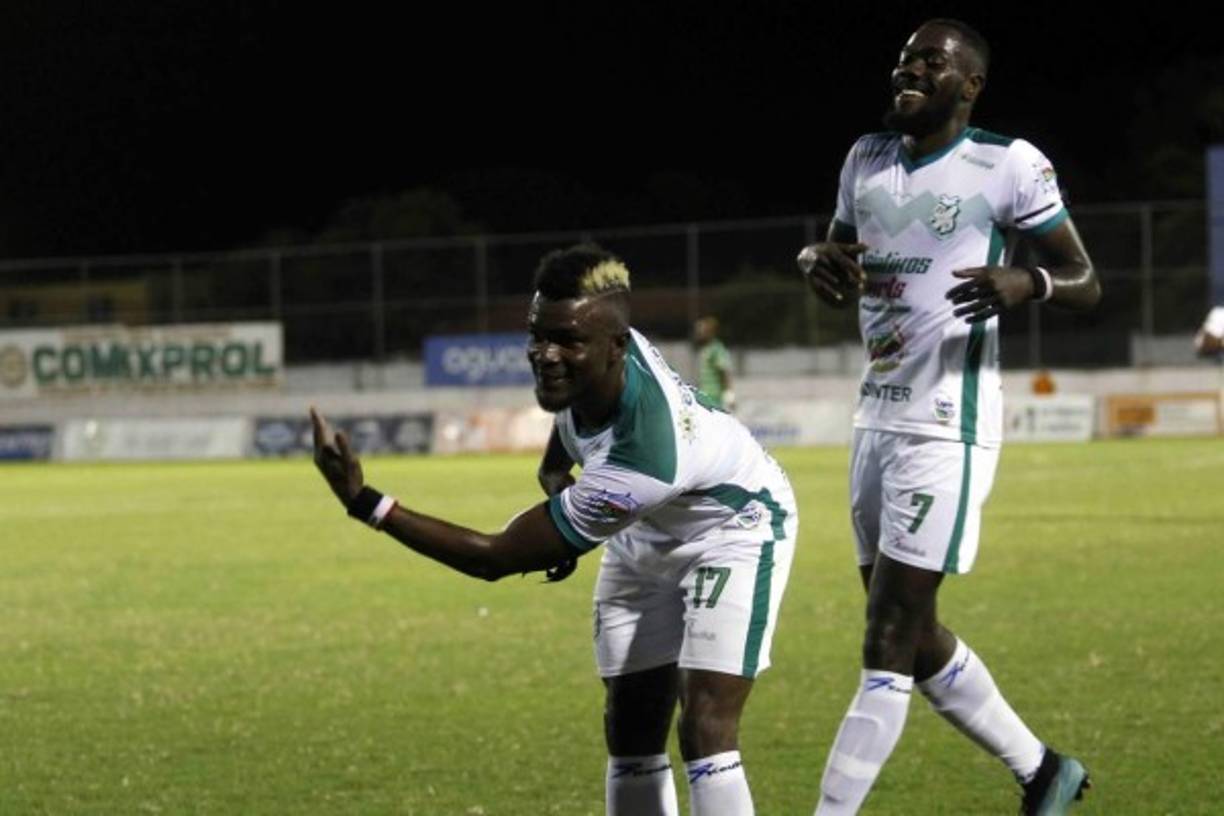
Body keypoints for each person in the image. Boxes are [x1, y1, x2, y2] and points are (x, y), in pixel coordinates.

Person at [312, 243, 797, 816]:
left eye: (566, 341)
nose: (546, 354)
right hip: (645, 531)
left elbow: (493, 557)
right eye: (538, 335)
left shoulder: (647, 454)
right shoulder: (599, 355)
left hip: (733, 527)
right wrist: (553, 473)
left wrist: (366, 502)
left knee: (706, 728)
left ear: (617, 348)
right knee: (631, 727)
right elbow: (569, 421)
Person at [796, 18, 1100, 816]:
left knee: (887, 639)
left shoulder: (1008, 163)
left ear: (970, 85)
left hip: (948, 424)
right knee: (909, 623)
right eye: (903, 59)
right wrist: (813, 261)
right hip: (876, 419)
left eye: (932, 62)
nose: (910, 70)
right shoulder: (865, 158)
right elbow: (837, 252)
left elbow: (1085, 278)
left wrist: (1027, 283)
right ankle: (1043, 771)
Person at [693, 316, 736, 411]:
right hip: (704, 392)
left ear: (710, 332)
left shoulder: (716, 348)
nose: (699, 333)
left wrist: (729, 393)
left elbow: (724, 371)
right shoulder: (704, 349)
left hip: (713, 394)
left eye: (702, 330)